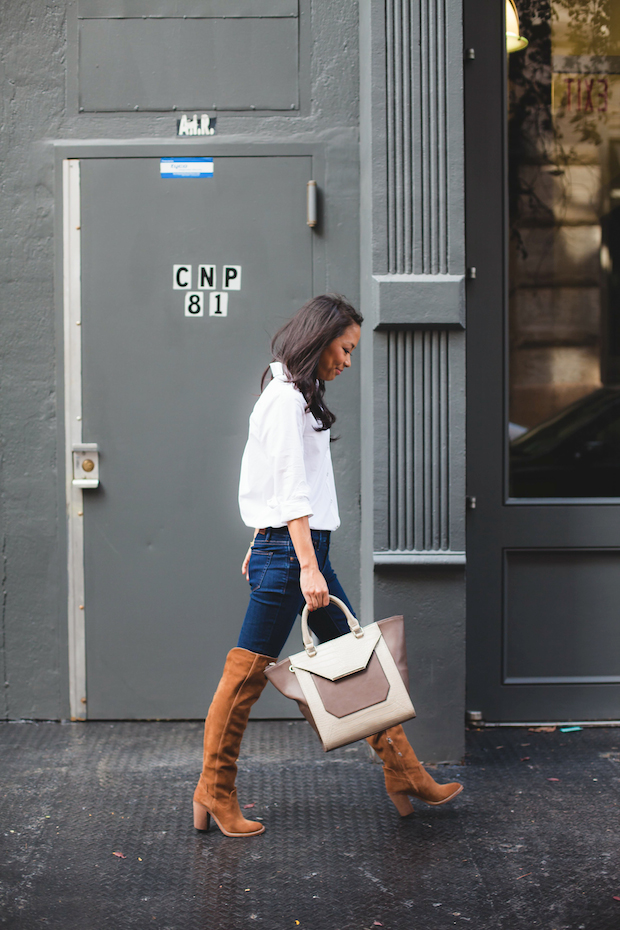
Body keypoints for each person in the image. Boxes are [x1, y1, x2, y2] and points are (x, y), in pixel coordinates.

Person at [193, 294, 462, 837]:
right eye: (344, 349)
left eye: (352, 351)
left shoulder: (289, 394)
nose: (346, 360)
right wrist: (303, 565)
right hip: (295, 555)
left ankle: (405, 774)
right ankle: (214, 791)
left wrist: (262, 537)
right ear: (319, 339)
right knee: (246, 676)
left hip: (292, 547)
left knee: (360, 665)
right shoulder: (286, 399)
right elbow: (289, 488)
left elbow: (276, 478)